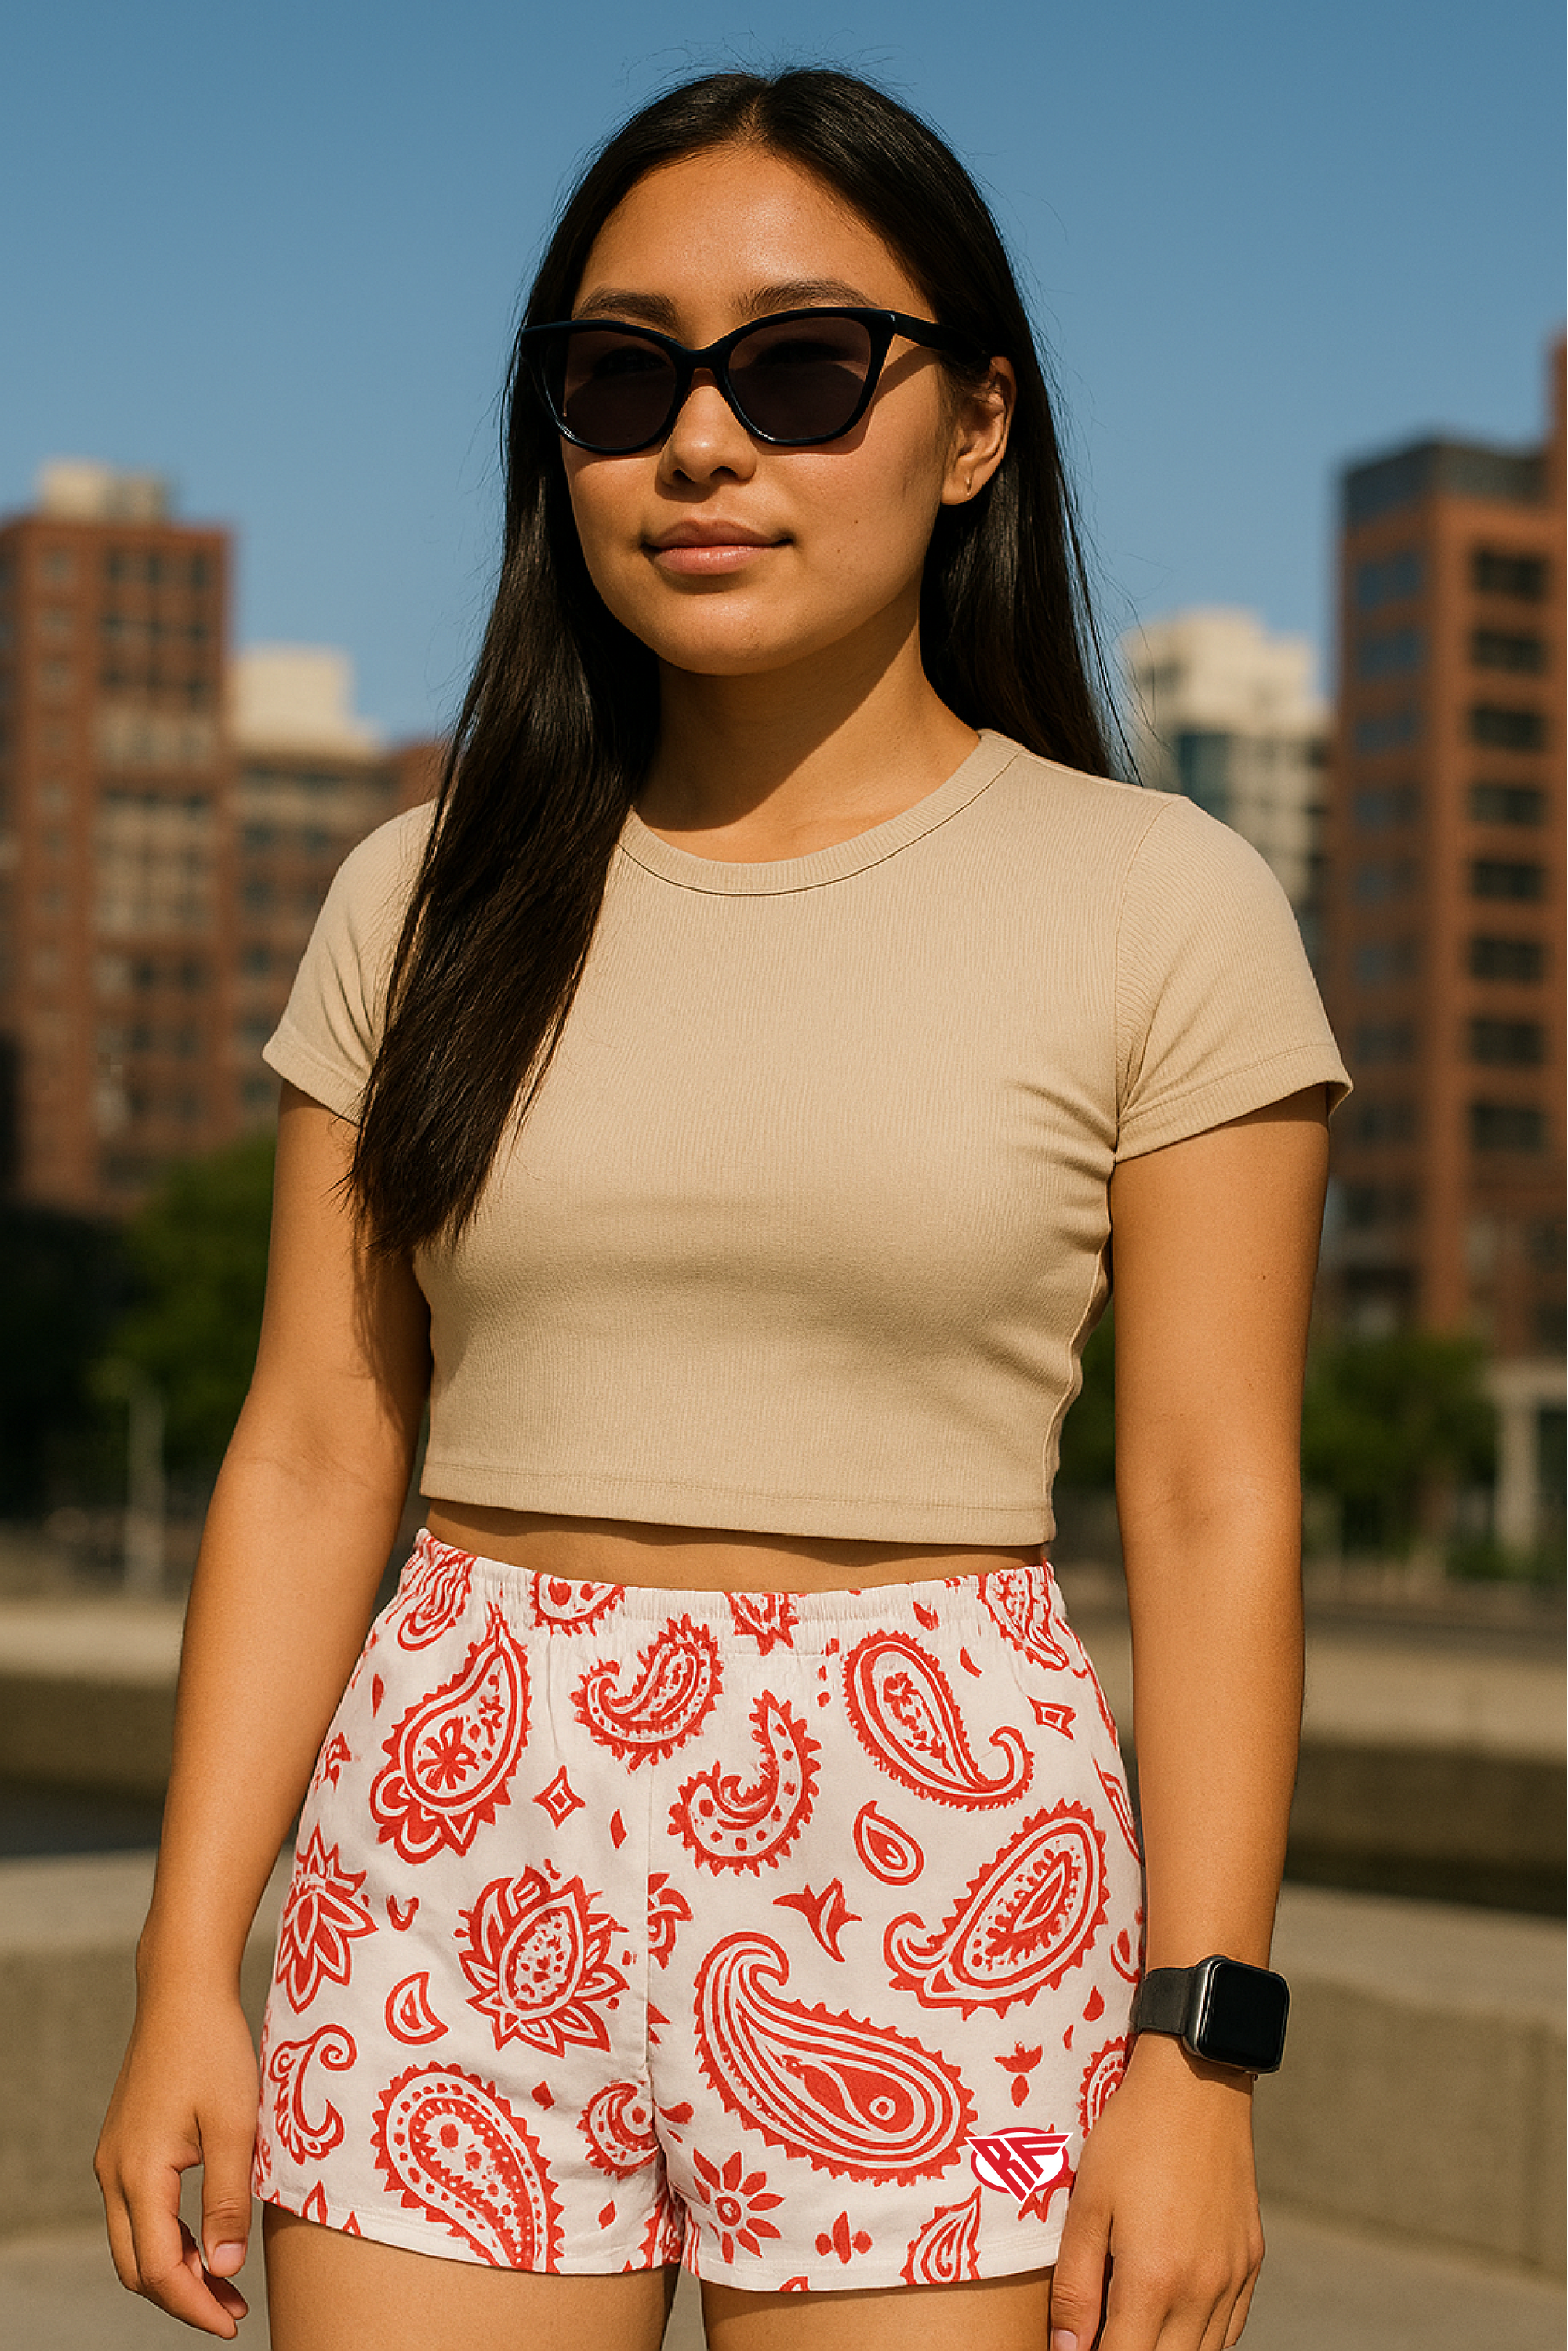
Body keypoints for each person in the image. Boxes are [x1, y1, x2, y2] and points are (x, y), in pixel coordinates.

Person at [96, 65, 1348, 2351]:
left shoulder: (1158, 904)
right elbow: (309, 1447)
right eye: (621, 377)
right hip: (450, 1828)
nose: (700, 443)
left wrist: (1202, 2049)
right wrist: (192, 1959)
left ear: (974, 425)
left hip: (935, 1848)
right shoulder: (423, 893)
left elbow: (1209, 1493)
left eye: (800, 370)